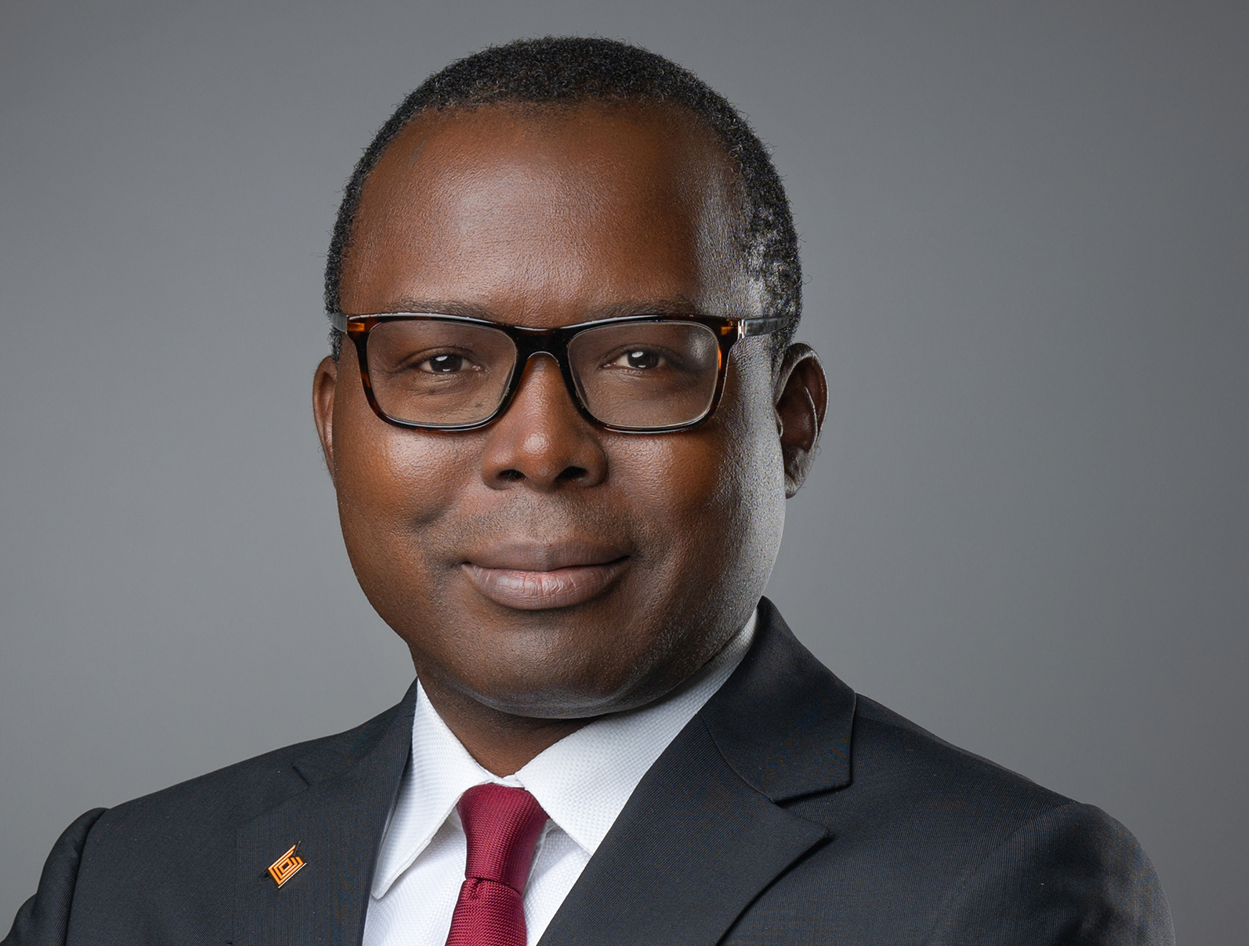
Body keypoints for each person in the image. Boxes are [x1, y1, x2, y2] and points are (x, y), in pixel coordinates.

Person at [4, 37, 1173, 946]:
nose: (537, 446)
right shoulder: (120, 887)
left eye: (642, 357)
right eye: (442, 361)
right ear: (333, 420)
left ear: (789, 421)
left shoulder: (992, 892)